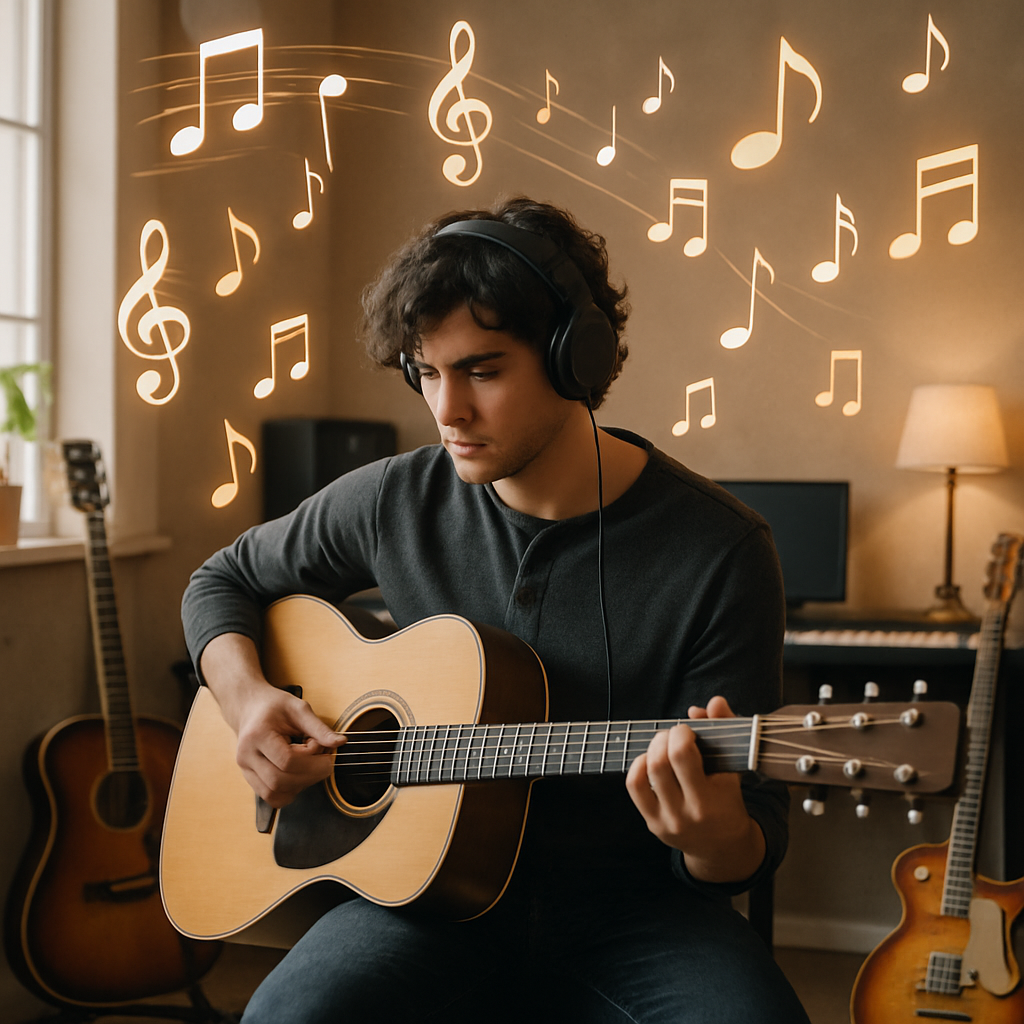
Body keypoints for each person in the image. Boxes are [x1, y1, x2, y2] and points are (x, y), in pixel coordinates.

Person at [181, 196, 811, 1023]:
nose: (448, 411)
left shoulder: (719, 548)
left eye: (482, 370)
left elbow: (747, 842)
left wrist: (711, 838)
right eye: (427, 372)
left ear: (574, 360)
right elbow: (219, 580)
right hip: (426, 899)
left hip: (637, 916)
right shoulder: (394, 497)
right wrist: (248, 697)